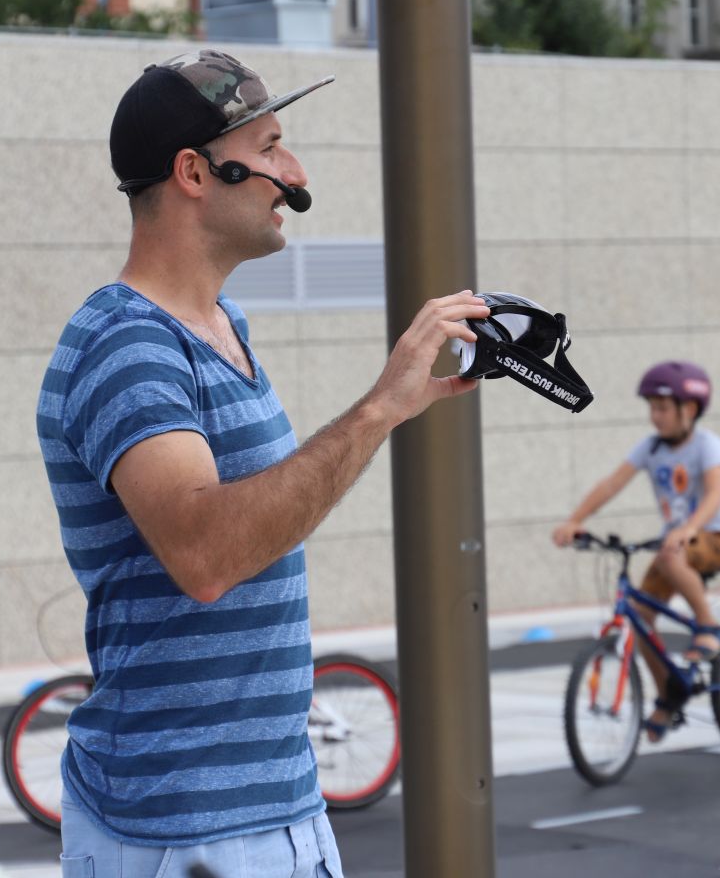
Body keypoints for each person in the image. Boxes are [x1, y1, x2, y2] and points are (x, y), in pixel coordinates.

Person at [38, 49, 490, 878]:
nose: (295, 171)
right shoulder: (127, 346)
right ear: (195, 171)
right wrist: (380, 407)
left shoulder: (222, 324)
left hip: (273, 810)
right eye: (273, 145)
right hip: (187, 829)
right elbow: (206, 555)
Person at [551, 360, 720, 741]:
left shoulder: (707, 444)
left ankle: (710, 627)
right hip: (675, 546)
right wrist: (576, 520)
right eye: (651, 408)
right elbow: (611, 484)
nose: (655, 416)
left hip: (713, 537)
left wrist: (689, 529)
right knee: (639, 619)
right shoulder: (650, 448)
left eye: (663, 408)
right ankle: (670, 695)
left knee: (670, 556)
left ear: (689, 409)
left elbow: (716, 493)